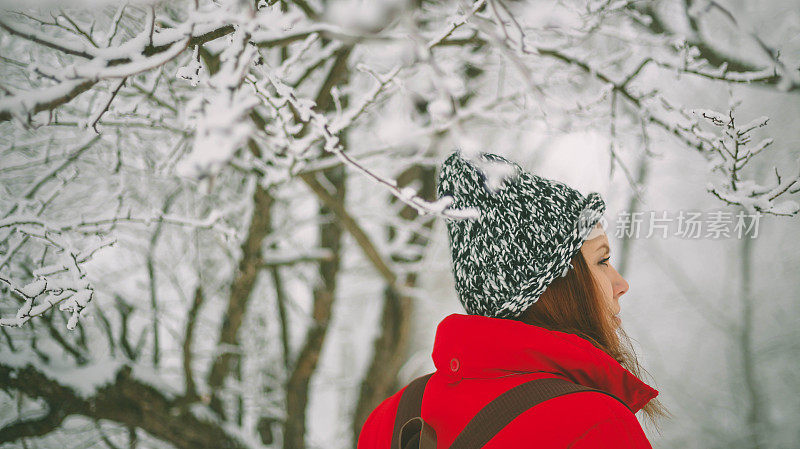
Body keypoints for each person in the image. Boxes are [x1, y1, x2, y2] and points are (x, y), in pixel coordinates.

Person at [356, 151, 669, 448]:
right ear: (554, 287)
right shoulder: (597, 424)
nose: (621, 284)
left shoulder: (389, 420)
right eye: (602, 261)